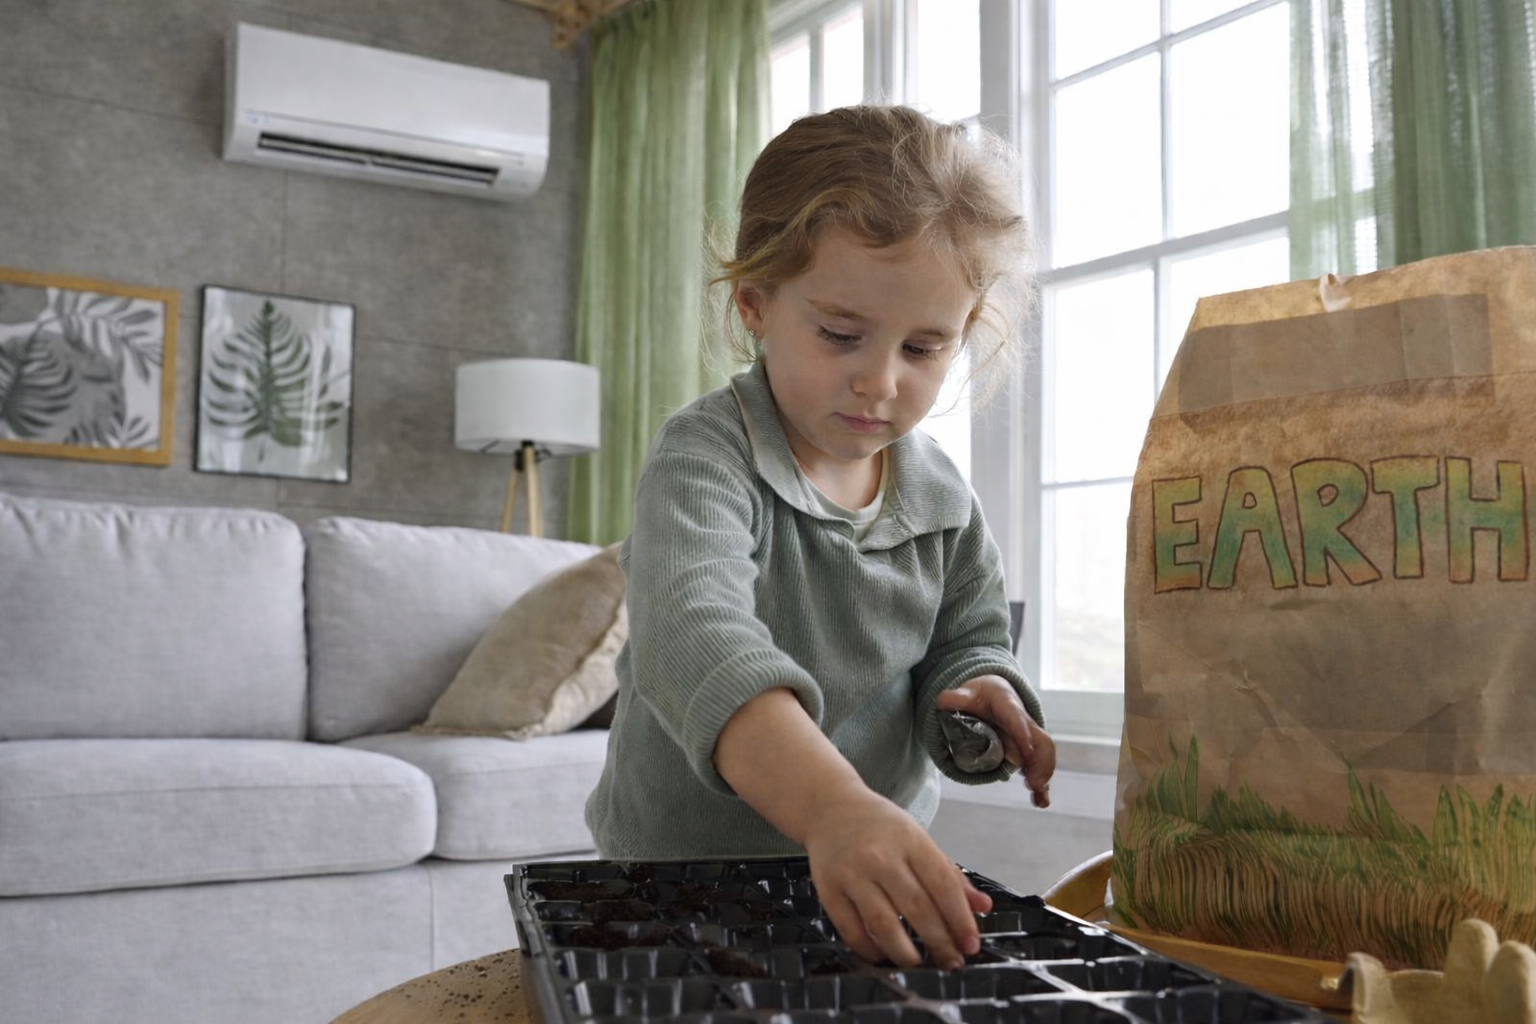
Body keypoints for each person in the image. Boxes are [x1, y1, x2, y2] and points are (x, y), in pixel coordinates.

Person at [584, 104, 1056, 973]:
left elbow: (968, 640)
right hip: (673, 882)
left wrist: (980, 695)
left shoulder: (944, 499)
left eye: (925, 347)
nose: (881, 380)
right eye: (841, 334)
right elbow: (697, 642)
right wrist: (836, 806)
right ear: (755, 303)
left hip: (865, 880)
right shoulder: (705, 457)